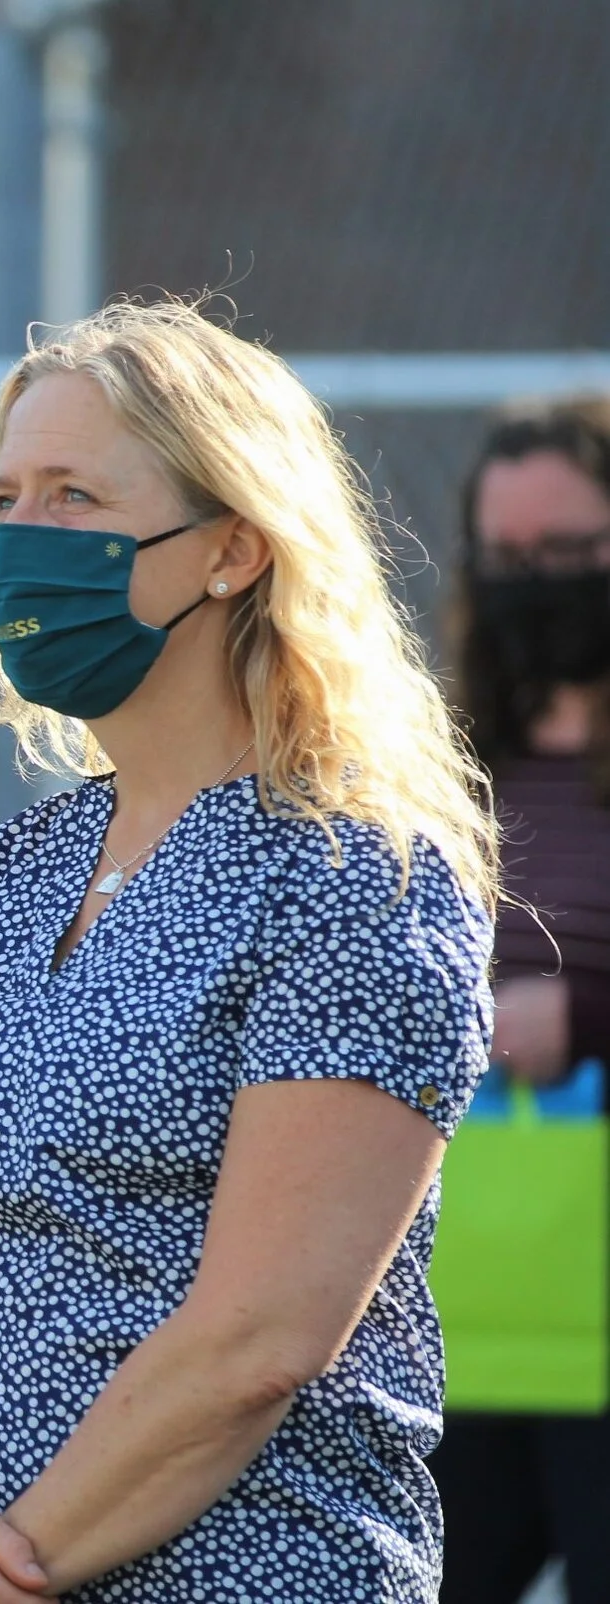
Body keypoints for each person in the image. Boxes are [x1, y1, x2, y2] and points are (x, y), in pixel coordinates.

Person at [0, 298, 497, 1604]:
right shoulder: (11, 873)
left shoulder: (354, 871)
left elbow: (258, 1338)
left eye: (73, 495)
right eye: (3, 499)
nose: (21, 539)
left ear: (233, 547)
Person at [426, 398, 610, 1604]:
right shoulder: (435, 750)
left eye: (564, 555)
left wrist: (583, 1019)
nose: (528, 583)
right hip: (457, 1286)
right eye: (503, 557)